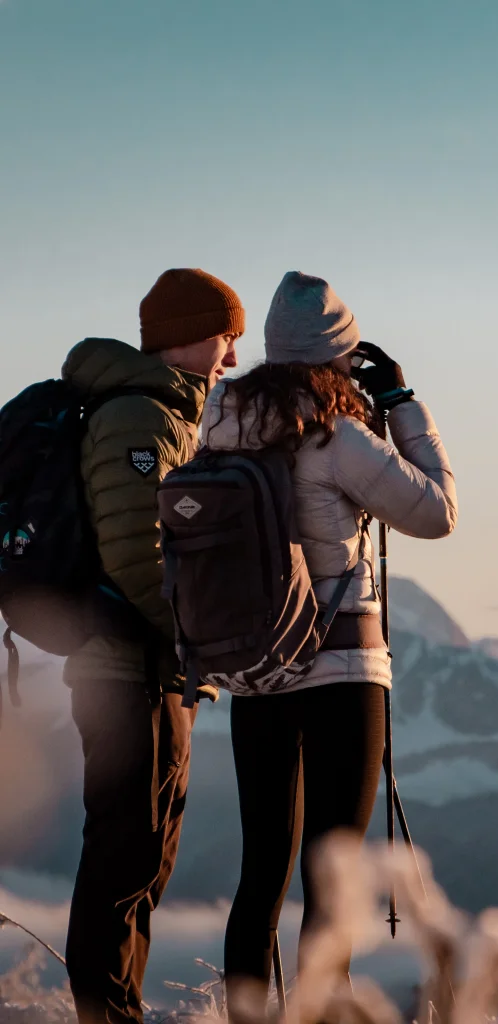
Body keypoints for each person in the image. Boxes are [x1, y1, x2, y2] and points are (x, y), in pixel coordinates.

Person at [202, 270, 458, 1019]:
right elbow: (437, 511)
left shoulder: (220, 423)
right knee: (334, 876)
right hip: (342, 672)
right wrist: (404, 406)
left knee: (261, 873)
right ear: (336, 357)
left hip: (256, 672)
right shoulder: (336, 433)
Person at [62, 268, 244, 1024]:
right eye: (227, 339)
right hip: (129, 668)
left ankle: (117, 1009)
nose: (232, 359)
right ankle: (106, 1014)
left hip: (152, 669)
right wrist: (199, 643)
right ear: (193, 334)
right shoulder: (143, 418)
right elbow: (142, 556)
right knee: (123, 859)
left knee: (142, 858)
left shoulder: (165, 411)